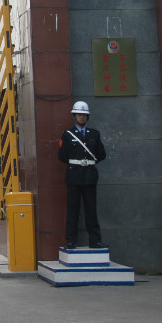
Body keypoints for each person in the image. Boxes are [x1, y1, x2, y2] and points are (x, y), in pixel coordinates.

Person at [58, 101, 107, 249]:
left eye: (84, 115)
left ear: (88, 117)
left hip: (90, 176)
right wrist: (77, 163)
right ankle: (71, 241)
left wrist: (88, 163)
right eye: (79, 114)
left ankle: (95, 240)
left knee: (91, 209)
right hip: (74, 175)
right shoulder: (67, 134)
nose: (82, 117)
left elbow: (101, 154)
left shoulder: (94, 134)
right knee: (73, 210)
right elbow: (62, 155)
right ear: (74, 116)